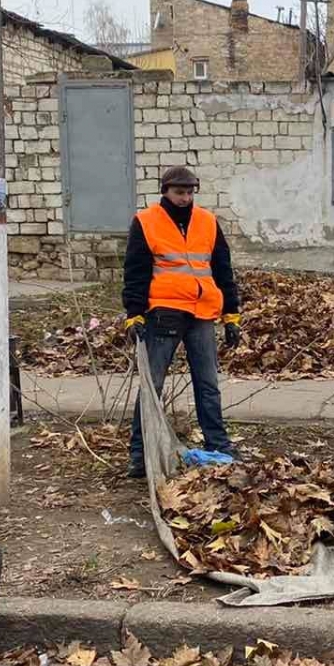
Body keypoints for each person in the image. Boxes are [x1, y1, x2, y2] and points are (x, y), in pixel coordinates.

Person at [123, 165, 241, 478]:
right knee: (153, 385)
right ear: (165, 191)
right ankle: (140, 453)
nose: (185, 198)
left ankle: (219, 447)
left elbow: (223, 271)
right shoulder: (146, 222)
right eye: (179, 192)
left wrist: (232, 316)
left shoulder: (207, 222)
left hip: (202, 312)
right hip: (164, 312)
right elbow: (135, 272)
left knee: (208, 384)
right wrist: (133, 314)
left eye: (189, 192)